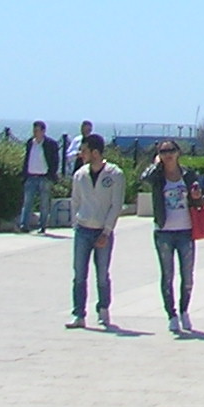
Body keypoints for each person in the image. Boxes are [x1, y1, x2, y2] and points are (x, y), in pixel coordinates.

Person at [144, 141, 204, 334]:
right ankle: (171, 315)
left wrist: (196, 197)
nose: (168, 154)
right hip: (164, 231)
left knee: (187, 276)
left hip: (186, 231)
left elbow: (198, 199)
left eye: (171, 151)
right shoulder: (157, 176)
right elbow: (144, 177)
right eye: (163, 152)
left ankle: (184, 310)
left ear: (178, 153)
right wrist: (156, 165)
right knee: (167, 275)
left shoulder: (187, 175)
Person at [67, 134, 124, 328]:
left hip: (102, 231)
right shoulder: (80, 175)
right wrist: (76, 222)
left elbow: (116, 205)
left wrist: (106, 231)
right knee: (79, 274)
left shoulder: (114, 174)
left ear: (96, 152)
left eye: (84, 151)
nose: (81, 155)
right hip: (83, 230)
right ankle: (78, 313)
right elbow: (75, 201)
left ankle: (103, 309)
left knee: (102, 274)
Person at [18, 122, 61, 234]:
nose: (35, 133)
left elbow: (55, 161)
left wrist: (51, 174)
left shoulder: (50, 144)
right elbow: (27, 159)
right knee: (27, 202)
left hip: (44, 177)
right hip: (31, 176)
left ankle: (42, 226)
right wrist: (24, 174)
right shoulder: (30, 143)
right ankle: (24, 225)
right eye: (34, 131)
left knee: (44, 203)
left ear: (43, 131)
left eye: (37, 131)